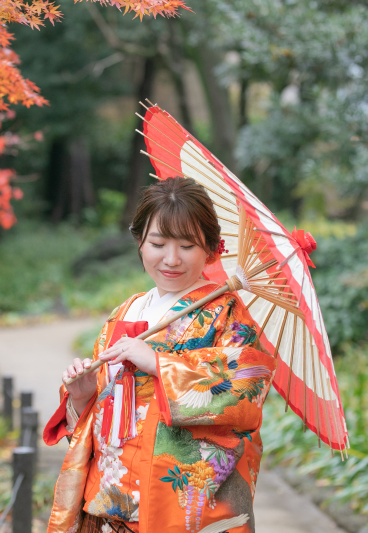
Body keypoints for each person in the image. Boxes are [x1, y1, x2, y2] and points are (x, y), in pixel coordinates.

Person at [43, 177, 276, 533]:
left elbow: (244, 396)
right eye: (158, 242)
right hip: (109, 504)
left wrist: (159, 364)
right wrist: (83, 395)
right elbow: (102, 414)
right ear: (139, 241)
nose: (171, 259)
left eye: (187, 245)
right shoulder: (126, 311)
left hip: (174, 509)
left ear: (212, 249)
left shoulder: (227, 314)